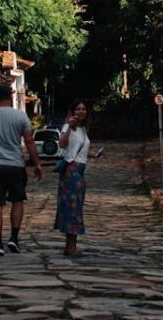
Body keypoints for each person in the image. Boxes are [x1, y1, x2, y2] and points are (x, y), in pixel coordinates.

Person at [0, 83, 43, 256]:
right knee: (17, 201)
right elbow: (29, 141)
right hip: (16, 165)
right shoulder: (20, 116)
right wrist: (37, 163)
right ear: (10, 97)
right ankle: (14, 238)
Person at [54, 99, 100, 256]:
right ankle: (71, 247)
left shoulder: (83, 129)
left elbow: (78, 149)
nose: (81, 111)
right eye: (78, 109)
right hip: (71, 172)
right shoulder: (69, 127)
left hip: (80, 170)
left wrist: (92, 154)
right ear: (73, 112)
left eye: (84, 109)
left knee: (75, 207)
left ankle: (70, 246)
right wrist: (69, 128)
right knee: (72, 208)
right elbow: (62, 144)